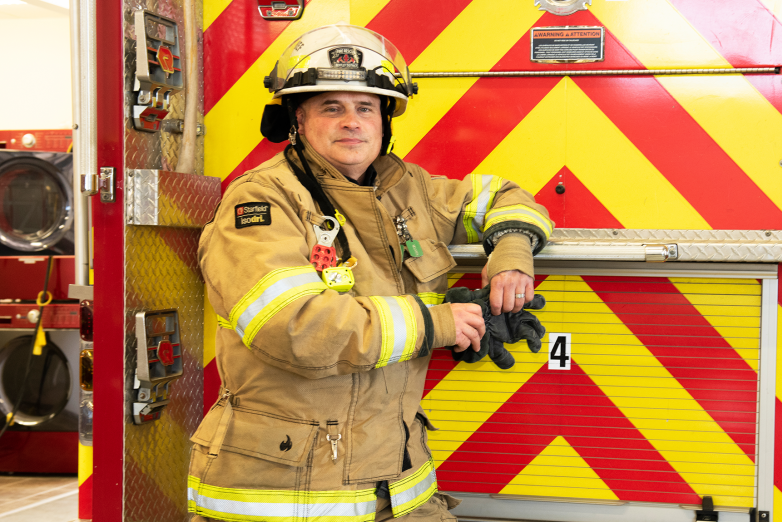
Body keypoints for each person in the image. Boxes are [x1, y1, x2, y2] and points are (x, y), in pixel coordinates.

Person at [186, 24, 553, 522]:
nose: (351, 122)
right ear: (296, 119)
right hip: (287, 493)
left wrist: (511, 254)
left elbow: (498, 196)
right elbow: (294, 327)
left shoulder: (406, 189)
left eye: (366, 107)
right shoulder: (262, 202)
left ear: (385, 120)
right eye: (331, 107)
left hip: (397, 485)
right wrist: (439, 323)